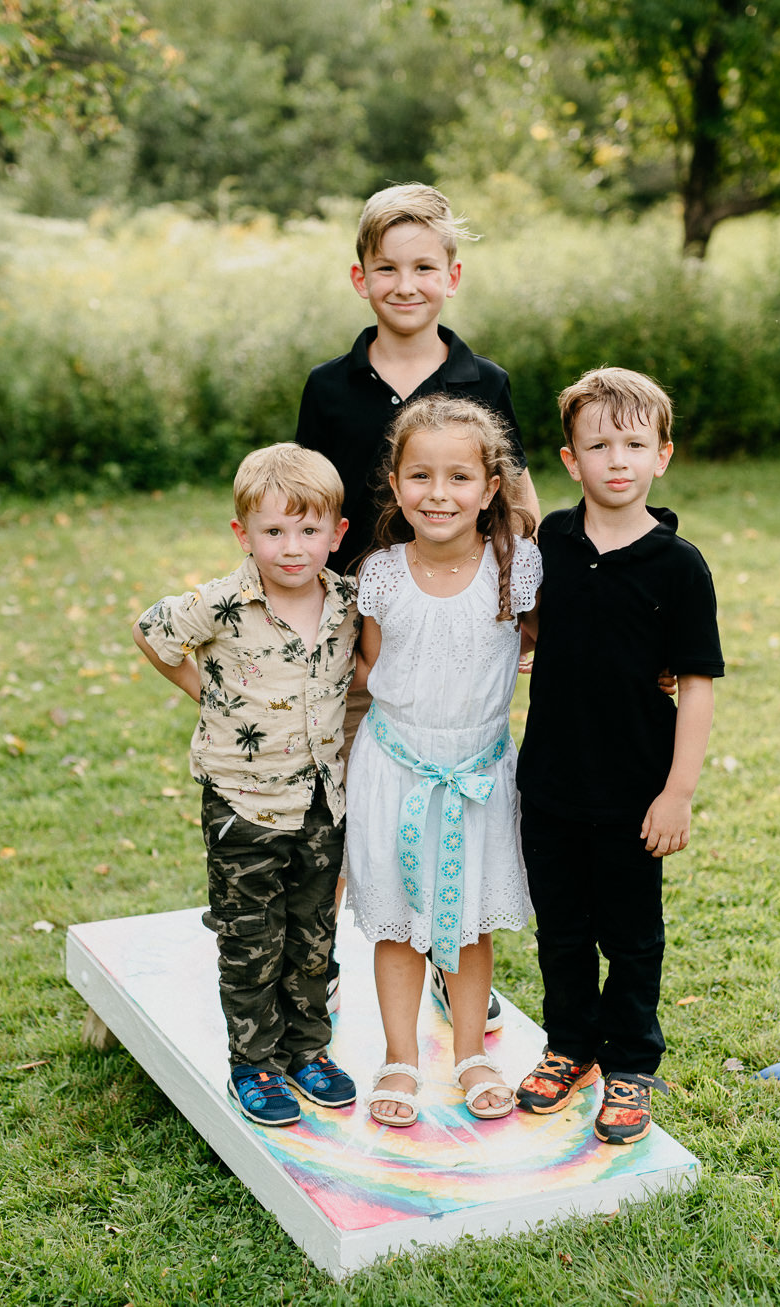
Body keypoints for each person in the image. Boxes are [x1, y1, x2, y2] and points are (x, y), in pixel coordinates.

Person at [296, 182, 540, 1030]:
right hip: (357, 631)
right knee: (334, 803)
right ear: (360, 278)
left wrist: (535, 603)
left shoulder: (485, 379)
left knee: (451, 814)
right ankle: (309, 968)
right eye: (387, 267)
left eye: (423, 267)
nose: (406, 283)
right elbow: (304, 497)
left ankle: (451, 965)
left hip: (459, 630)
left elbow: (517, 500)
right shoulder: (329, 388)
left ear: (453, 275)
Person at [513, 368, 722, 1146]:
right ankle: (570, 1047)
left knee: (631, 934)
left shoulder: (680, 566)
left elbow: (696, 684)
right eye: (598, 444)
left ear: (662, 455)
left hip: (638, 788)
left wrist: (679, 791)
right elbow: (537, 624)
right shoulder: (552, 543)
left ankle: (631, 1063)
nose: (617, 459)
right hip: (551, 782)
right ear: (571, 460)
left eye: (635, 443)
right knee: (561, 929)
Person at [132, 444, 360, 1128]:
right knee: (251, 936)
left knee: (313, 932)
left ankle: (307, 1049)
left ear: (337, 533)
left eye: (309, 530)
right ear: (244, 534)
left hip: (323, 798)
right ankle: (254, 1062)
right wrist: (207, 694)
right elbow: (151, 632)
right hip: (242, 802)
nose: (292, 547)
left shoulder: (347, 601)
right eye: (274, 531)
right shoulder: (224, 602)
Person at [344, 394, 540, 1126]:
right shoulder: (384, 574)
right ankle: (400, 1056)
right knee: (397, 922)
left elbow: (547, 637)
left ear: (491, 489)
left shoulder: (516, 569)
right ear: (395, 487)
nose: (438, 493)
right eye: (420, 476)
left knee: (466, 924)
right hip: (395, 768)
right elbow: (371, 667)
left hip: (479, 771)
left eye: (459, 477)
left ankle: (470, 1053)